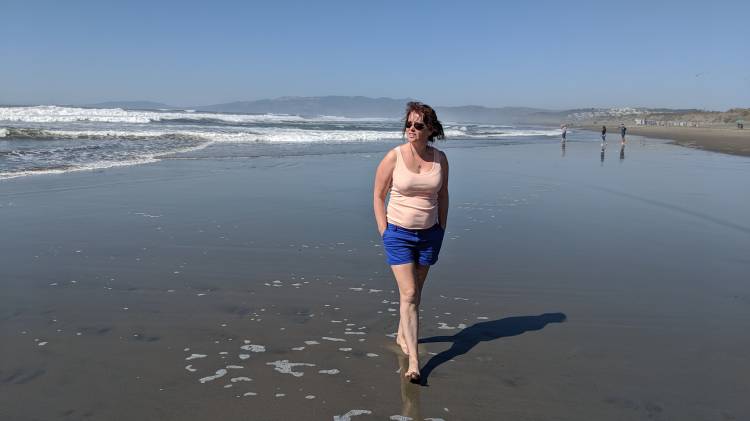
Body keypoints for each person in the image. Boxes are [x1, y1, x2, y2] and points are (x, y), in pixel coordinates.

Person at [373, 101, 449, 384]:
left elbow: (443, 194)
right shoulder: (393, 157)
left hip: (430, 235)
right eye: (408, 124)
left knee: (415, 294)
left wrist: (442, 228)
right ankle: (415, 362)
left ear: (431, 129)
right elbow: (378, 195)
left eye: (418, 125)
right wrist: (384, 231)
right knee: (409, 293)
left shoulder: (440, 159)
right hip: (398, 235)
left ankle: (401, 333)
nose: (411, 129)